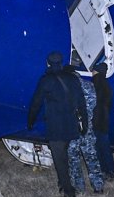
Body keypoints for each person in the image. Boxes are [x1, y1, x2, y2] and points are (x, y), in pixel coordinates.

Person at [29, 51, 89, 196]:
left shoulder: (46, 80)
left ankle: (69, 191)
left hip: (56, 127)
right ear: (61, 62)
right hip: (71, 126)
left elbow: (36, 103)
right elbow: (82, 102)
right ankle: (63, 183)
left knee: (60, 160)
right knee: (64, 156)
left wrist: (30, 121)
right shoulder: (72, 78)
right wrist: (85, 123)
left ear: (48, 63)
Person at [68, 64, 105, 194]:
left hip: (73, 129)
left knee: (74, 160)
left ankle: (79, 188)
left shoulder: (68, 87)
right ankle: (98, 186)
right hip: (87, 128)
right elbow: (93, 104)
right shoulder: (89, 85)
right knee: (91, 157)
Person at [91, 62, 114, 180]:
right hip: (104, 120)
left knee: (99, 147)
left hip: (96, 120)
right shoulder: (106, 84)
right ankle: (110, 171)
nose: (92, 72)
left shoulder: (96, 83)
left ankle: (105, 170)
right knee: (105, 147)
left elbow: (93, 104)